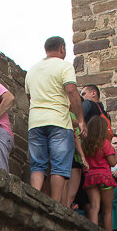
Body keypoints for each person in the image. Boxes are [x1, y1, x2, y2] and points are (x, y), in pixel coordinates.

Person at [25, 36, 84, 204]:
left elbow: (29, 97)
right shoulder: (64, 65)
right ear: (62, 49)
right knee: (59, 165)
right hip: (59, 121)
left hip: (35, 122)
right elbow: (71, 90)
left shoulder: (32, 70)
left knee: (37, 164)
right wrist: (80, 119)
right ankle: (55, 204)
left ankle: (35, 198)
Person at [81, 115, 117, 231]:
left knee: (94, 207)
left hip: (91, 177)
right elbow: (112, 163)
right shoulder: (105, 143)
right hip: (105, 177)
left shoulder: (85, 144)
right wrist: (115, 153)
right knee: (107, 210)